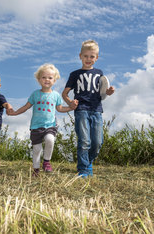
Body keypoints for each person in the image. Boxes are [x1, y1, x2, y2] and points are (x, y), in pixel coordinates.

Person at [9, 64, 76, 176]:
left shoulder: (56, 95)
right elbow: (26, 106)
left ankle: (46, 161)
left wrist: (70, 107)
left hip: (50, 125)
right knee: (37, 149)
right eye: (43, 77)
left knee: (50, 140)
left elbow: (59, 109)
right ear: (39, 79)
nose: (47, 80)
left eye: (50, 78)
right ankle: (36, 170)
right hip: (36, 126)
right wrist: (14, 112)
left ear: (54, 80)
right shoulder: (35, 94)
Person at [62, 40, 115, 177]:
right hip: (81, 110)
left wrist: (108, 92)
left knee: (97, 142)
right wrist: (70, 103)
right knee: (84, 141)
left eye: (92, 56)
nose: (88, 59)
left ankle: (88, 162)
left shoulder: (99, 73)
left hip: (96, 110)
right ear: (80, 56)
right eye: (86, 56)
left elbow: (102, 93)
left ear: (96, 58)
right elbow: (65, 93)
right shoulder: (75, 74)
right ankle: (84, 169)